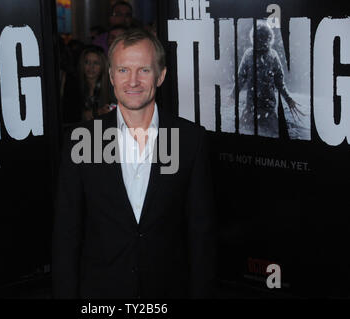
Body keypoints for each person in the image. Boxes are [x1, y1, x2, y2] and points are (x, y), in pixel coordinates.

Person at [52, 28, 216, 299]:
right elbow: (66, 234)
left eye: (144, 70)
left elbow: (201, 234)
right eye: (124, 70)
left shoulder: (190, 139)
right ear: (112, 77)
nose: (133, 81)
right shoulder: (81, 140)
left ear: (161, 76)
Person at [229, 21, 304, 137]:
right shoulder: (250, 54)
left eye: (261, 37)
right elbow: (241, 78)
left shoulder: (271, 55)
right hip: (252, 109)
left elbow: (279, 82)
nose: (260, 41)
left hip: (266, 109)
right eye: (258, 37)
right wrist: (233, 95)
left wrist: (288, 99)